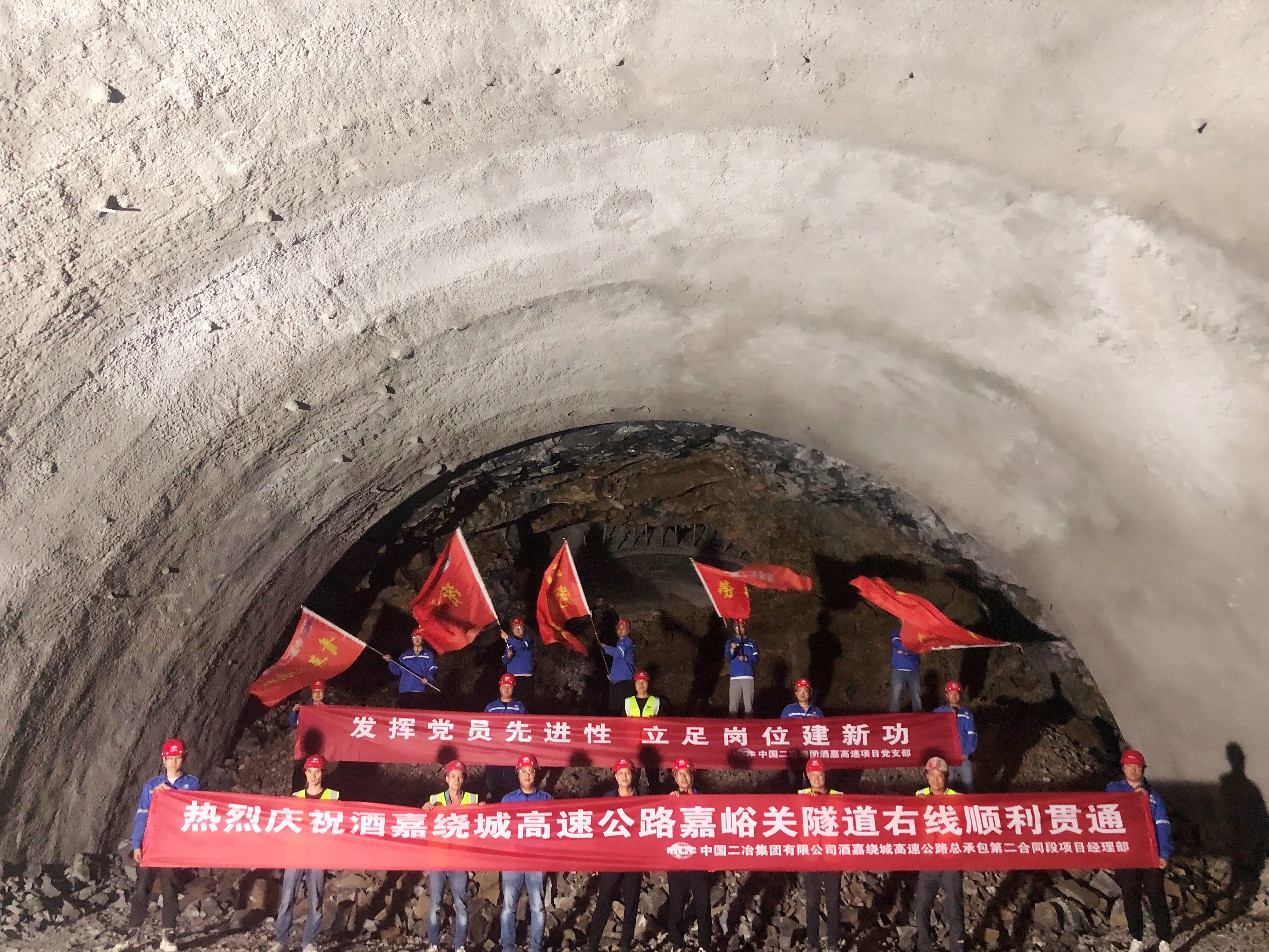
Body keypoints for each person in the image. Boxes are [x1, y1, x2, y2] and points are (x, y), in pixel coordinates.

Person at [113, 738, 201, 952]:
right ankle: (133, 932)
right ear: (163, 759)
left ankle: (168, 935)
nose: (174, 762)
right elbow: (142, 815)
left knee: (170, 889)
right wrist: (136, 843)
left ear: (184, 758)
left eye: (178, 757)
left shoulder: (192, 783)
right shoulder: (151, 786)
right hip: (151, 844)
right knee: (142, 888)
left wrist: (170, 794)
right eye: (170, 758)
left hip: (172, 846)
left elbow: (193, 810)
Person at [1106, 749, 1174, 952]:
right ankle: (1137, 937)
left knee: (1156, 894)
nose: (1133, 771)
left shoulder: (1154, 797)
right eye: (1129, 766)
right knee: (1130, 894)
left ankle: (1164, 939)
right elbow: (1109, 808)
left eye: (1137, 767)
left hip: (1150, 853)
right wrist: (1133, 798)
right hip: (1126, 853)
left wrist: (1164, 853)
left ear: (1143, 769)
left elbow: (1162, 825)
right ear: (1123, 768)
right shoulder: (1114, 789)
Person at [271, 755, 339, 952]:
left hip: (318, 854)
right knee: (287, 898)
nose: (314, 775)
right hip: (297, 853)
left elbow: (341, 821)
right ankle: (281, 940)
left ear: (322, 773)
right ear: (305, 773)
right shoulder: (296, 797)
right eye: (310, 771)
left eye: (317, 771)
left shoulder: (333, 796)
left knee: (316, 899)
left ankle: (309, 942)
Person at [586, 758, 643, 952]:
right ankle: (593, 943)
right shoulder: (607, 800)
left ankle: (625, 945)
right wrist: (597, 858)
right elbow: (598, 831)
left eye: (627, 772)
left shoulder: (644, 801)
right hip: (612, 858)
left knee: (632, 902)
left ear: (633, 775)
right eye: (620, 773)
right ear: (615, 776)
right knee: (604, 899)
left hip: (634, 859)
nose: (624, 776)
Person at [424, 761, 480, 952]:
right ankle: (433, 943)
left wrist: (484, 810)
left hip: (460, 860)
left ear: (464, 779)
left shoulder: (472, 799)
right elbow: (426, 824)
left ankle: (460, 945)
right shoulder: (435, 800)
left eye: (460, 776)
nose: (456, 780)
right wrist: (425, 810)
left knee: (461, 905)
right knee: (435, 904)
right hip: (439, 859)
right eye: (453, 776)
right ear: (446, 779)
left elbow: (480, 824)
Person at [500, 755, 552, 952]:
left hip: (536, 861)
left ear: (535, 773)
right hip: (512, 860)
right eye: (523, 771)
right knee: (508, 906)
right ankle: (508, 947)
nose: (527, 775)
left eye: (530, 771)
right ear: (518, 774)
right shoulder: (508, 800)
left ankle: (536, 947)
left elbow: (554, 829)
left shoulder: (547, 800)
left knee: (537, 906)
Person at [914, 757, 962, 952]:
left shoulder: (957, 798)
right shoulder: (919, 796)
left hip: (950, 861)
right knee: (922, 906)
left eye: (939, 775)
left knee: (954, 906)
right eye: (931, 775)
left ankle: (957, 947)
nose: (935, 780)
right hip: (929, 861)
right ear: (926, 776)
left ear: (946, 776)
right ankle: (925, 946)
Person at [665, 758, 712, 951]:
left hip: (699, 859)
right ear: (675, 777)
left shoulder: (705, 800)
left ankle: (705, 944)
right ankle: (676, 942)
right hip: (677, 859)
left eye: (687, 773)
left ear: (693, 775)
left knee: (703, 901)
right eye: (680, 774)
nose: (684, 778)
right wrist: (670, 803)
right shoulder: (669, 800)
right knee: (677, 901)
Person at [799, 759, 843, 952]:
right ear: (808, 777)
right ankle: (812, 942)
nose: (817, 779)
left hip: (832, 856)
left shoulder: (838, 797)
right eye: (813, 775)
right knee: (812, 901)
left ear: (826, 775)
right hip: (810, 856)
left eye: (820, 774)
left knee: (833, 901)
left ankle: (833, 942)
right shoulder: (800, 797)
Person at [484, 674, 527, 801]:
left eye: (510, 686)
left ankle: (513, 804)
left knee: (513, 780)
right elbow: (483, 725)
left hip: (513, 751)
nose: (506, 689)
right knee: (492, 781)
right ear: (500, 686)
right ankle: (495, 803)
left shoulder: (519, 707)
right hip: (494, 751)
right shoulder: (491, 707)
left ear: (513, 688)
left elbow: (527, 725)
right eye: (504, 686)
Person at [932, 680, 977, 791]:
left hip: (963, 757)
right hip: (946, 758)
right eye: (951, 693)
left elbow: (972, 734)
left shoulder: (966, 714)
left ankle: (967, 803)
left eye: (956, 693)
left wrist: (966, 753)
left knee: (968, 785)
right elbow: (933, 732)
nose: (954, 695)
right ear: (947, 695)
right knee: (947, 787)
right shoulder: (938, 713)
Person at [781, 678, 825, 789]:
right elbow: (781, 728)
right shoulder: (789, 710)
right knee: (795, 783)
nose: (802, 693)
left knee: (814, 781)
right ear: (795, 693)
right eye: (799, 691)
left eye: (805, 691)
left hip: (812, 752)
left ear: (810, 693)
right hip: (795, 752)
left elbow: (823, 730)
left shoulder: (817, 711)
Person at [383, 632, 438, 709]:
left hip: (419, 690)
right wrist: (390, 661)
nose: (417, 640)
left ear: (422, 640)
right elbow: (397, 671)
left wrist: (428, 678)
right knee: (405, 714)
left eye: (419, 637)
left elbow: (433, 669)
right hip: (405, 691)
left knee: (418, 714)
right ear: (412, 640)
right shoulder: (405, 655)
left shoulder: (428, 655)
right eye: (415, 638)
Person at [723, 619, 760, 717]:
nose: (739, 629)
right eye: (736, 627)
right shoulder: (730, 642)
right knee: (733, 705)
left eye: (741, 627)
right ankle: (732, 724)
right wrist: (732, 649)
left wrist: (746, 658)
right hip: (734, 676)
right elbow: (728, 656)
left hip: (747, 676)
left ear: (745, 628)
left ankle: (749, 724)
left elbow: (756, 658)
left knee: (748, 705)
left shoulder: (751, 643)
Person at [602, 618, 637, 715]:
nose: (620, 630)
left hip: (625, 683)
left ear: (628, 631)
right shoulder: (618, 643)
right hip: (615, 683)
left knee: (627, 711)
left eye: (623, 628)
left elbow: (618, 653)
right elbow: (620, 661)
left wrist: (604, 646)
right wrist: (613, 675)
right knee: (614, 711)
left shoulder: (628, 642)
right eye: (619, 628)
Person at [501, 618, 534, 706]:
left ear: (523, 628)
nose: (518, 629)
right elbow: (504, 660)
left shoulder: (527, 640)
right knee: (512, 704)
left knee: (526, 704)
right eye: (515, 628)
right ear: (512, 630)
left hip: (525, 679)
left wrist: (507, 638)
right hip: (512, 679)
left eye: (519, 627)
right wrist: (508, 656)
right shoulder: (510, 643)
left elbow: (521, 646)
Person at [889, 627, 921, 712]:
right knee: (896, 696)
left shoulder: (916, 634)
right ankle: (893, 718)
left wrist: (905, 652)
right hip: (899, 668)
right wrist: (911, 650)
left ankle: (919, 718)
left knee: (916, 696)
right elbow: (897, 643)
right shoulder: (897, 632)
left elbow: (920, 649)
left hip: (914, 669)